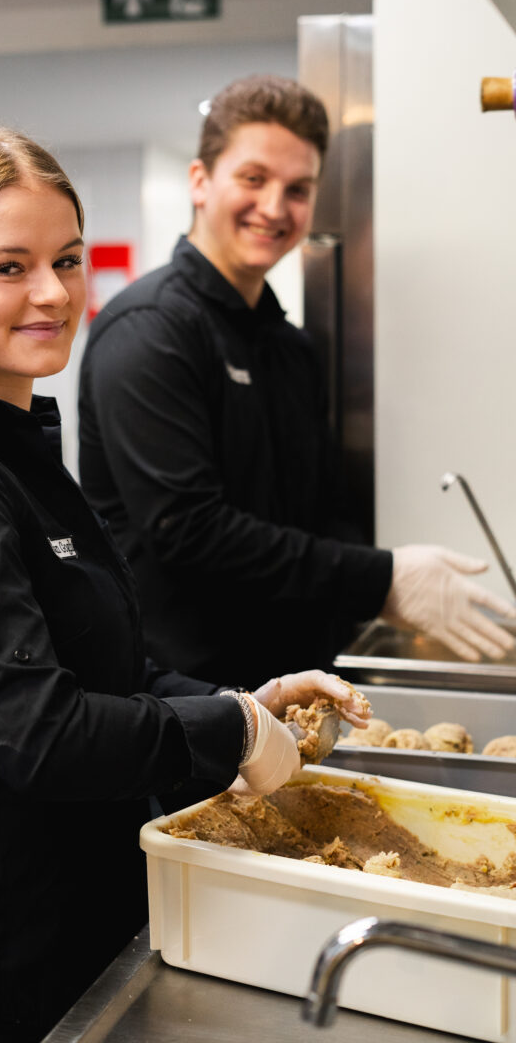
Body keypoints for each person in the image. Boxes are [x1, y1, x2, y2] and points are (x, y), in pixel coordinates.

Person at [0, 125, 369, 1043]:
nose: (53, 293)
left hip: (72, 938)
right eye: (9, 267)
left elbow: (110, 671)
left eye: (68, 260)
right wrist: (230, 732)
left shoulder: (21, 454)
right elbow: (39, 736)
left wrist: (245, 701)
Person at [78, 75, 516, 685]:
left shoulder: (291, 348)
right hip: (185, 706)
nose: (276, 208)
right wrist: (382, 578)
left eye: (299, 189)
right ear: (201, 182)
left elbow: (323, 513)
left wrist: (378, 609)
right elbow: (191, 532)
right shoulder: (151, 328)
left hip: (296, 691)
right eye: (253, 179)